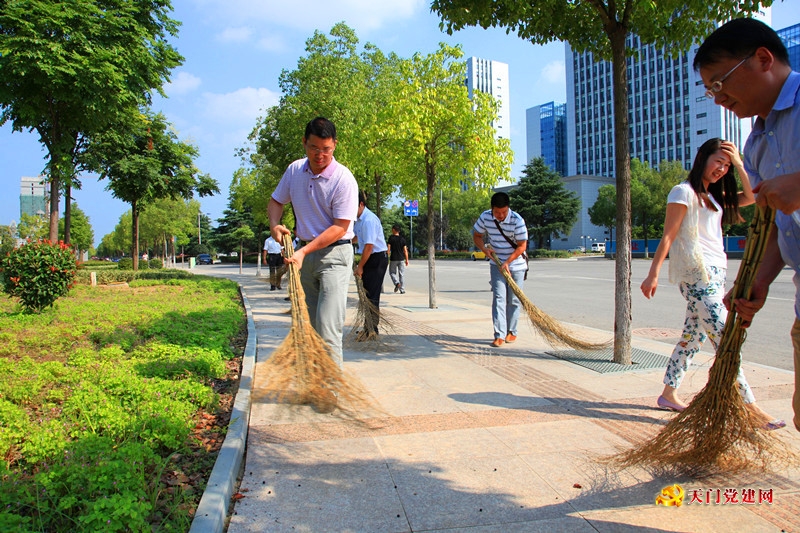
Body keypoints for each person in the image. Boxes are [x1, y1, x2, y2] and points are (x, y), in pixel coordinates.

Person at [695, 17, 800, 431]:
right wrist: (757, 280)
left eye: (720, 83)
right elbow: (775, 225)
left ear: (762, 59)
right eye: (709, 89)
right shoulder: (755, 144)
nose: (717, 98)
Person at [640, 138, 782, 428]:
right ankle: (750, 408)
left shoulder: (715, 197)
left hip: (716, 273)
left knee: (692, 338)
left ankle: (668, 393)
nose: (721, 168)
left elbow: (754, 196)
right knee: (725, 336)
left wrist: (739, 163)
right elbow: (668, 235)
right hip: (696, 274)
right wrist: (653, 273)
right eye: (718, 161)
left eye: (726, 165)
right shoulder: (683, 191)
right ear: (703, 158)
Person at [268, 117, 358, 371]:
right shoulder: (295, 171)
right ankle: (313, 382)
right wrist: (275, 225)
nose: (320, 155)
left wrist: (304, 251)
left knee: (328, 326)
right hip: (304, 255)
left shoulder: (343, 179)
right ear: (304, 143)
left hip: (335, 256)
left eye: (326, 149)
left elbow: (340, 226)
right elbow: (276, 201)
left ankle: (329, 390)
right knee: (308, 326)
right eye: (314, 148)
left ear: (335, 146)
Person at [472, 192, 528, 347]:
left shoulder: (517, 220)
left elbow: (522, 245)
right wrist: (484, 249)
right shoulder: (485, 217)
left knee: (514, 300)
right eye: (497, 212)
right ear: (492, 209)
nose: (501, 215)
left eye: (504, 212)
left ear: (508, 208)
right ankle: (499, 334)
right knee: (499, 298)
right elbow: (476, 235)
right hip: (496, 264)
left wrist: (508, 262)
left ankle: (512, 331)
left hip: (516, 264)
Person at [353, 190, 389, 338]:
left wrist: (360, 266)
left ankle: (372, 329)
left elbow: (369, 246)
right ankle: (368, 327)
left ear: (361, 204)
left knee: (372, 295)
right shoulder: (359, 220)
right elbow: (356, 237)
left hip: (377, 259)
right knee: (367, 294)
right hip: (370, 258)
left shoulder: (369, 220)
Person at [387, 224, 409, 294]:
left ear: (394, 230)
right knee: (401, 274)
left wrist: (387, 255)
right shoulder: (402, 239)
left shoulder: (391, 238)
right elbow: (405, 250)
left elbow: (388, 249)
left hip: (393, 258)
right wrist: (407, 260)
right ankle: (402, 289)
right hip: (401, 259)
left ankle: (397, 283)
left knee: (392, 273)